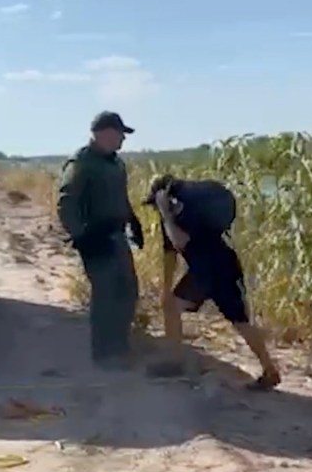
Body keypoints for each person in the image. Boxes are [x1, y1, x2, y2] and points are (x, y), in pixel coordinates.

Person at [150, 174, 282, 390]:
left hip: (207, 270)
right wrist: (165, 288)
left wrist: (166, 214)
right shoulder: (175, 217)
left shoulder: (181, 213)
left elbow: (180, 242)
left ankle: (175, 362)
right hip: (224, 266)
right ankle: (270, 370)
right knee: (239, 321)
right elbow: (169, 254)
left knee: (174, 306)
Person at [56, 111, 144, 370]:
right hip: (95, 238)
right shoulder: (81, 163)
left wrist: (133, 221)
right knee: (105, 295)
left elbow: (121, 197)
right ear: (103, 133)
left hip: (117, 236)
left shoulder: (116, 164)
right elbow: (66, 203)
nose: (122, 140)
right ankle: (104, 353)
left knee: (127, 291)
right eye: (120, 134)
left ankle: (120, 345)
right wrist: (81, 236)